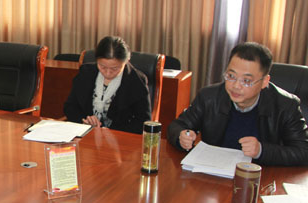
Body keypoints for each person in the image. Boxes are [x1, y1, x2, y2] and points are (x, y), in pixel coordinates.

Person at [167, 42, 308, 166]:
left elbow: (303, 151)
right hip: (214, 174)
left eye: (246, 81)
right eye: (231, 76)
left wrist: (261, 150)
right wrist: (181, 136)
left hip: (261, 178)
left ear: (264, 81)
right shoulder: (209, 97)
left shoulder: (286, 105)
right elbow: (177, 125)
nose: (236, 86)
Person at [63, 36, 152, 134]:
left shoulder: (136, 81)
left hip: (119, 138)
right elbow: (70, 107)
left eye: (114, 68)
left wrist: (111, 132)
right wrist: (84, 120)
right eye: (102, 66)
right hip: (86, 134)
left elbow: (143, 121)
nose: (108, 73)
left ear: (126, 61)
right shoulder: (86, 73)